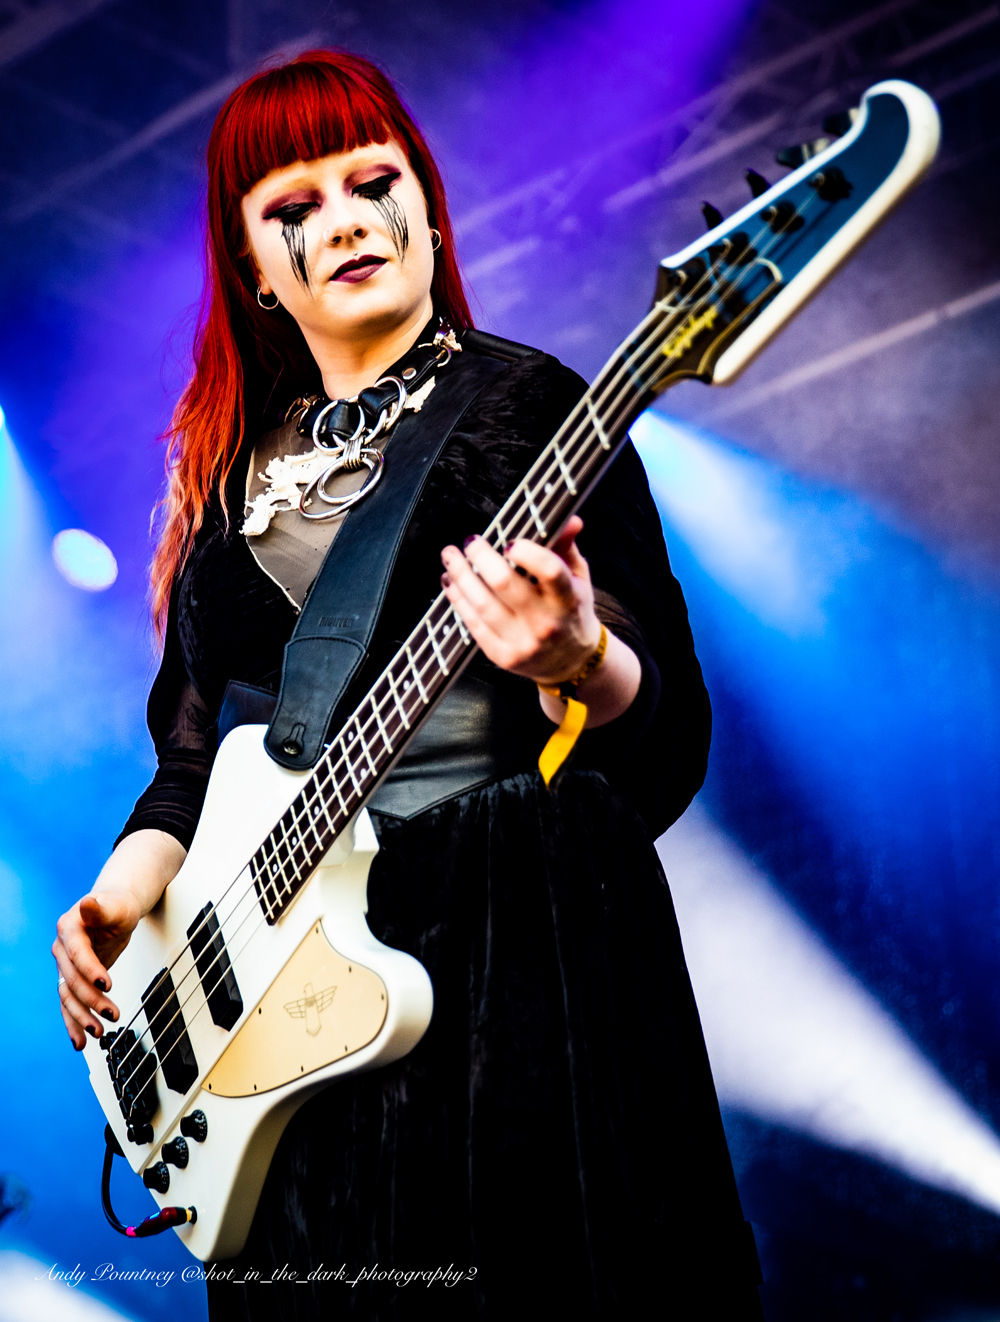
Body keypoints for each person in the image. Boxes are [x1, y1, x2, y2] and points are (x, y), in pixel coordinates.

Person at [52, 49, 763, 1320]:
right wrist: (118, 900)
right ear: (255, 270)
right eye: (293, 206)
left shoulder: (530, 404)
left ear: (426, 209)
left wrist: (577, 659)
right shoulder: (219, 500)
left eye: (371, 180)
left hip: (508, 969)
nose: (344, 219)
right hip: (284, 1042)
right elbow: (191, 764)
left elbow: (668, 740)